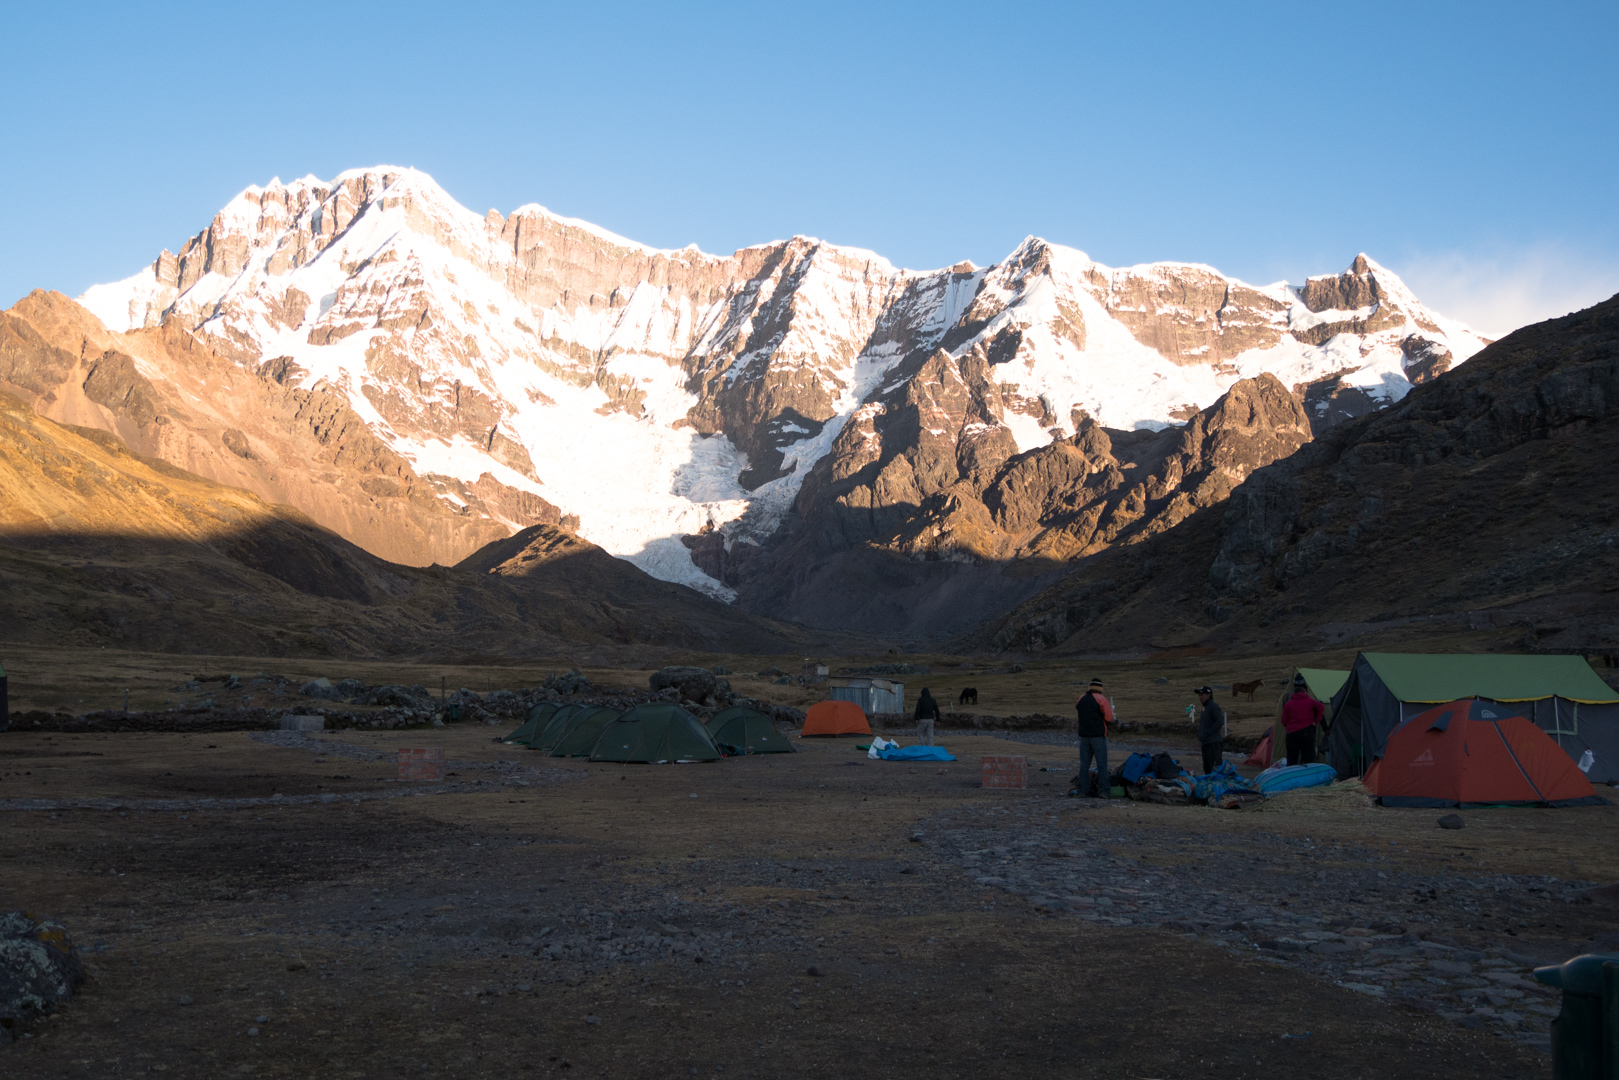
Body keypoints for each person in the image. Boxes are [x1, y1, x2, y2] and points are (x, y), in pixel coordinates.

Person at [1075, 678, 1114, 797]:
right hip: (1098, 736)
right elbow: (1109, 717)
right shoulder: (1101, 699)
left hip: (1084, 736)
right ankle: (1104, 791)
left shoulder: (1081, 698)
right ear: (1100, 689)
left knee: (1084, 765)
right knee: (1101, 765)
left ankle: (1082, 790)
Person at [1281, 672, 1326, 766]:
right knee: (1308, 758)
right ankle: (1308, 777)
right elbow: (1321, 708)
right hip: (1307, 732)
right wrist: (1315, 722)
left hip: (1291, 734)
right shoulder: (1310, 700)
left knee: (1292, 759)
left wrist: (1289, 726)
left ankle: (1292, 777)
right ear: (1305, 689)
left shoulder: (1287, 700)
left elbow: (1283, 721)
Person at [1194, 686, 1226, 774]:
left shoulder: (1213, 706)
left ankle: (1217, 786)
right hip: (1206, 743)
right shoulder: (1205, 708)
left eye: (1202, 695)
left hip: (1213, 743)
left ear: (1209, 695)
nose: (1200, 697)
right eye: (1199, 695)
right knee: (1207, 769)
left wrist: (1208, 733)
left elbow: (1220, 721)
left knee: (1215, 769)